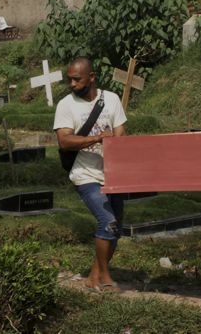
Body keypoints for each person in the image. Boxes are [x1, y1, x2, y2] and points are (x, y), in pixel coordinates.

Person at [53, 57, 127, 292]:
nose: (72, 84)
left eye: (77, 79)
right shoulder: (66, 105)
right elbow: (64, 140)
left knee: (116, 229)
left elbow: (121, 134)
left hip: (112, 173)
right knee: (108, 220)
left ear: (92, 77)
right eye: (70, 79)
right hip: (85, 174)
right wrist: (96, 138)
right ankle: (105, 278)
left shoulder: (112, 100)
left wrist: (115, 141)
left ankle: (93, 276)